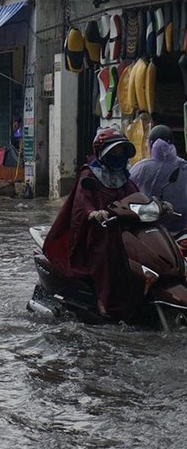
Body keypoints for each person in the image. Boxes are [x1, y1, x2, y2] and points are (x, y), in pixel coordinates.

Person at [42, 126, 141, 321]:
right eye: (114, 152)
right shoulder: (89, 174)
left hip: (122, 226)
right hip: (98, 228)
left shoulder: (124, 175)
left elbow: (137, 195)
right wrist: (93, 213)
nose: (118, 156)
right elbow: (82, 202)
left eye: (121, 152)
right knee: (105, 250)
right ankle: (103, 300)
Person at [130, 124, 187, 234]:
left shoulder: (141, 168)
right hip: (182, 229)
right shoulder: (183, 165)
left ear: (150, 144)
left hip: (150, 229)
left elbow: (127, 193)